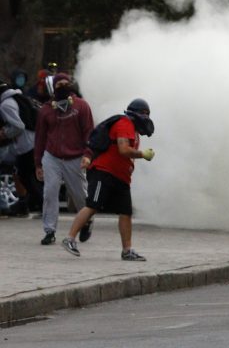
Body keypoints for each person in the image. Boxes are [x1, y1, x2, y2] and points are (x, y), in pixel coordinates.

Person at [62, 98, 155, 260]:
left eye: (148, 114)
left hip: (121, 177)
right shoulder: (124, 124)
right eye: (144, 113)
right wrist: (142, 154)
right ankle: (69, 239)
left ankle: (127, 250)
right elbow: (123, 149)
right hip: (104, 173)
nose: (146, 117)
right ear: (136, 113)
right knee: (92, 205)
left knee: (126, 212)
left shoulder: (134, 131)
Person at [34, 74, 93, 245]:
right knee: (49, 192)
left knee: (80, 195)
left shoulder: (81, 106)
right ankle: (49, 230)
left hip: (75, 157)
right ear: (53, 87)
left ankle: (86, 221)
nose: (63, 86)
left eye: (66, 83)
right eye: (59, 84)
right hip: (52, 157)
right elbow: (40, 138)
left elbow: (89, 132)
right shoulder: (46, 110)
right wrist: (38, 163)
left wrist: (88, 155)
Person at [0, 80, 44, 212]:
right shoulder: (15, 98)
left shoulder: (5, 105)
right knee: (26, 176)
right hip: (32, 141)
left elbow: (18, 126)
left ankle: (41, 204)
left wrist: (4, 133)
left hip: (26, 145)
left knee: (25, 176)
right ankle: (28, 204)